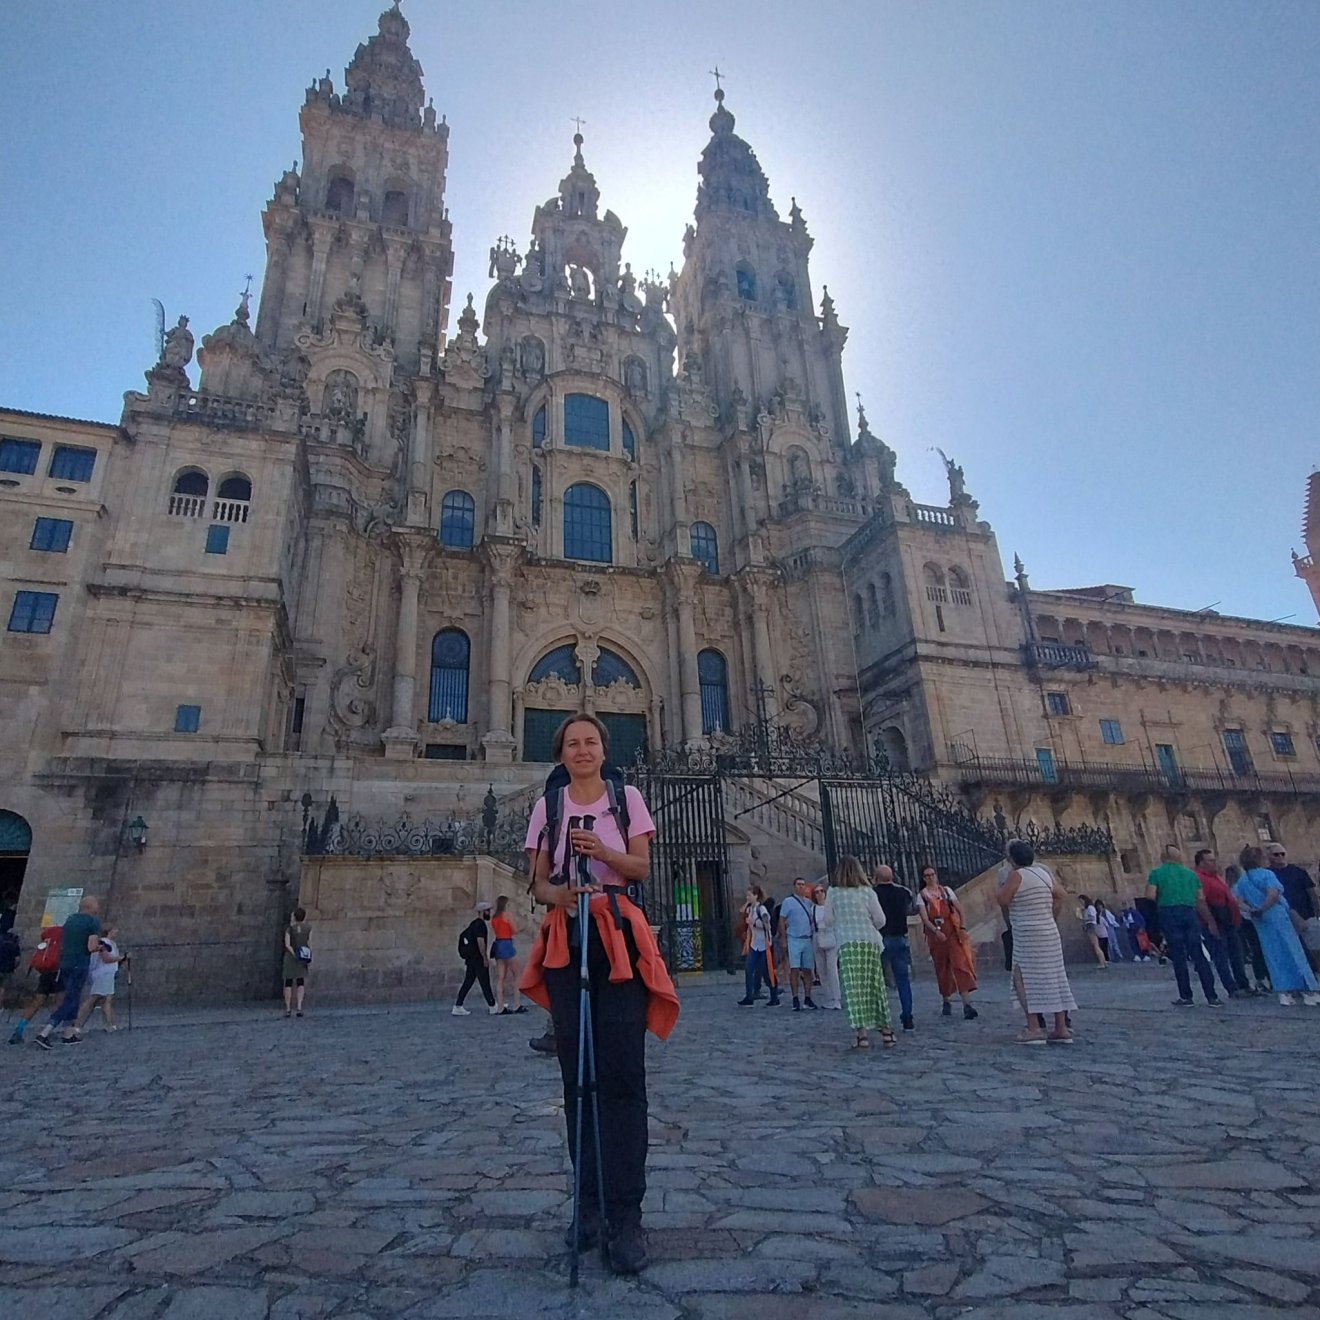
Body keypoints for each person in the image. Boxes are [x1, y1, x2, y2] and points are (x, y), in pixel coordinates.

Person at [520, 714, 678, 1276]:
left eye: (590, 741)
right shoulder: (549, 807)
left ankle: (626, 1214)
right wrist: (557, 893)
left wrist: (603, 854)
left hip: (619, 939)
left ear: (603, 750)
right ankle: (587, 1208)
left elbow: (640, 866)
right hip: (569, 937)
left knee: (622, 1078)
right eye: (571, 743)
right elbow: (536, 882)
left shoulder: (627, 798)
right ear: (559, 754)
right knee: (576, 1078)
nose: (581, 750)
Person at [996, 840, 1077, 1044]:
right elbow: (1061, 895)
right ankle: (1060, 1027)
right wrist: (1049, 914)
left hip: (1027, 933)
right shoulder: (1043, 873)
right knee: (1054, 975)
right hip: (1049, 931)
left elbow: (1003, 900)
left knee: (1023, 978)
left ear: (1012, 859)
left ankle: (1034, 1027)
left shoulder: (1017, 875)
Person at [1232, 845, 1320, 1006]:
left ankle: (1284, 993)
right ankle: (1308, 990)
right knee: (1294, 952)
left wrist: (1253, 910)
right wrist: (1263, 908)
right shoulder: (1267, 874)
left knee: (1273, 955)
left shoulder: (1243, 880)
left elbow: (1238, 901)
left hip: (1261, 922)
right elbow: (1273, 894)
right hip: (1277, 917)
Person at [828, 856, 895, 1049]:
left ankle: (862, 1034)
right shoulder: (868, 892)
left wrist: (844, 921)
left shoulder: (833, 893)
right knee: (875, 985)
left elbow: (828, 919)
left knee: (853, 989)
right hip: (869, 941)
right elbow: (881, 919)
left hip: (848, 943)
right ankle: (886, 1031)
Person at [1145, 845, 1222, 1007]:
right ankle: (1212, 996)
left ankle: (1186, 997)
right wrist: (1209, 920)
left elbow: (1150, 896)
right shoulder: (1191, 875)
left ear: (1163, 857)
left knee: (1178, 956)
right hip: (1189, 913)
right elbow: (1200, 899)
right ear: (1178, 857)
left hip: (1169, 913)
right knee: (1198, 955)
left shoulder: (1157, 873)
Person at [34, 896, 102, 1049]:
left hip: (65, 963)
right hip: (80, 963)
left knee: (73, 997)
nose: (98, 907)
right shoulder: (92, 922)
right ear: (89, 906)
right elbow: (91, 947)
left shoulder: (70, 920)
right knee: (71, 999)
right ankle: (45, 1032)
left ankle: (68, 1034)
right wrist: (101, 947)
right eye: (96, 904)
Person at [916, 866, 978, 1019]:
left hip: (952, 932)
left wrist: (962, 926)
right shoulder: (922, 896)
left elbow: (959, 909)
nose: (930, 877)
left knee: (960, 965)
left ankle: (967, 1004)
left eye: (932, 874)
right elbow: (924, 918)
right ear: (923, 879)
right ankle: (946, 999)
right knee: (942, 967)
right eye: (927, 875)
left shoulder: (946, 891)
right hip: (936, 936)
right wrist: (935, 931)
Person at [1193, 849, 1251, 998]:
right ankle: (1231, 988)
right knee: (1221, 956)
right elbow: (1200, 902)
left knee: (1237, 954)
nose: (1214, 863)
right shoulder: (1198, 878)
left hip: (1228, 920)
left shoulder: (1217, 877)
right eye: (1210, 860)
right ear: (1201, 863)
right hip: (1215, 921)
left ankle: (1243, 984)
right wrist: (1210, 922)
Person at [873, 864, 916, 1031]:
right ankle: (907, 1015)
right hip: (900, 938)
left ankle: (882, 1017)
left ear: (876, 878)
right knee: (903, 980)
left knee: (879, 981)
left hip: (882, 938)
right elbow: (910, 905)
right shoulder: (903, 892)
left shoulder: (873, 894)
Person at [1267, 843, 1319, 972]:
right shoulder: (1268, 874)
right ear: (1270, 857)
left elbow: (1311, 892)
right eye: (1276, 854)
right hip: (1284, 918)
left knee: (1315, 947)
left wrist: (1317, 911)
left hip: (1306, 914)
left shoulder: (1298, 871)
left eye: (1282, 854)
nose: (1280, 857)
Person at [1227, 864, 1271, 992]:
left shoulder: (1230, 888)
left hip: (1240, 921)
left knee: (1251, 950)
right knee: (1260, 949)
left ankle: (1259, 979)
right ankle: (1265, 978)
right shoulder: (1242, 887)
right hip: (1251, 919)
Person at [778, 876, 818, 1011]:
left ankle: (808, 997)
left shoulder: (809, 903)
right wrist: (783, 938)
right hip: (794, 938)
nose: (801, 886)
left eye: (803, 884)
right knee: (794, 969)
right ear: (794, 886)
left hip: (807, 938)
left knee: (808, 969)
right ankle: (795, 997)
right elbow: (782, 920)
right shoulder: (788, 902)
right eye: (798, 884)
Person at [74, 927, 124, 1032]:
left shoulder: (111, 943)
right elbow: (106, 959)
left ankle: (109, 1024)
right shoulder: (104, 943)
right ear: (109, 931)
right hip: (103, 974)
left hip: (107, 974)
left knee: (104, 999)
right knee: (96, 999)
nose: (117, 933)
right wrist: (122, 957)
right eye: (115, 930)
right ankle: (77, 1024)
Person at [736, 886, 779, 1006]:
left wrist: (754, 923)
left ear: (756, 896)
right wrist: (748, 903)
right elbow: (741, 911)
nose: (747, 897)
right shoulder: (751, 909)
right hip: (754, 944)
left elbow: (767, 924)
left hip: (764, 944)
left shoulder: (762, 909)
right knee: (749, 969)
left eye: (750, 895)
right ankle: (749, 996)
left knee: (766, 971)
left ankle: (774, 995)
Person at [453, 901, 497, 1015]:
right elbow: (480, 941)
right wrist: (485, 957)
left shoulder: (473, 924)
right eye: (488, 911)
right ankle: (492, 1006)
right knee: (485, 982)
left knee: (468, 982)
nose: (489, 913)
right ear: (483, 912)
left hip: (471, 959)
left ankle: (458, 1005)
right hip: (477, 959)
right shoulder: (480, 925)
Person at [490, 895, 527, 1015]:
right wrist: (523, 926)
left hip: (498, 944)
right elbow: (515, 930)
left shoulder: (494, 917)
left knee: (501, 977)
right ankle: (517, 1004)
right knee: (517, 973)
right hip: (507, 944)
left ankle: (500, 1006)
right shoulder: (507, 915)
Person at [810, 882, 841, 1010]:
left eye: (822, 891)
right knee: (821, 969)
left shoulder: (832, 907)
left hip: (830, 935)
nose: (820, 894)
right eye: (817, 892)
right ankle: (828, 997)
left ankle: (836, 998)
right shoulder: (813, 908)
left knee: (832, 969)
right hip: (818, 936)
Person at [282, 906, 311, 1018]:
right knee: (300, 982)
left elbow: (287, 944)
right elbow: (309, 943)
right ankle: (299, 1007)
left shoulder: (290, 929)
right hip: (302, 956)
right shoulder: (308, 928)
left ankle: (288, 1008)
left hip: (290, 957)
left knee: (288, 982)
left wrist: (294, 953)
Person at [1078, 895, 1108, 967]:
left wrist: (1084, 919)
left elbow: (1092, 917)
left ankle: (1102, 962)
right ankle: (1103, 961)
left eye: (1081, 901)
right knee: (1096, 945)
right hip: (1090, 925)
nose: (1080, 903)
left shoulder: (1090, 908)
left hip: (1090, 926)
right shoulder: (1088, 908)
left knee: (1095, 945)